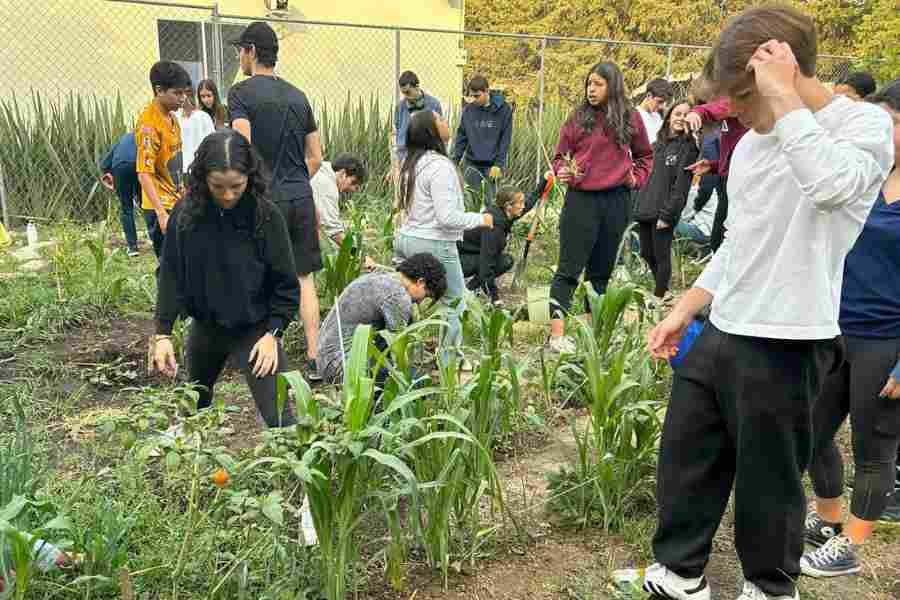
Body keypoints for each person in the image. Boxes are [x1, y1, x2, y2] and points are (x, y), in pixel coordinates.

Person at [635, 6, 894, 600]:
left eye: (742, 98)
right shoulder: (752, 146)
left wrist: (785, 101)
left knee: (770, 480)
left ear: (781, 69)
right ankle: (679, 576)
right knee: (687, 458)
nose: (736, 113)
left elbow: (831, 188)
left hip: (791, 336)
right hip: (726, 326)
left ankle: (770, 586)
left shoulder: (862, 128)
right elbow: (738, 241)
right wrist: (689, 305)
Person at [800, 79, 900, 578]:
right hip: (835, 329)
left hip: (887, 339)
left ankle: (850, 546)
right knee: (814, 432)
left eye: (891, 122)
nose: (879, 130)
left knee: (873, 446)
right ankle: (827, 520)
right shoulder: (865, 175)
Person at [153, 131, 300, 428]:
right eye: (218, 186)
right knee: (193, 409)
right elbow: (171, 274)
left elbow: (286, 284)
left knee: (281, 421)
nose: (229, 195)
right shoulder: (186, 214)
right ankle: (196, 472)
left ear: (250, 177)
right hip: (206, 328)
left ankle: (290, 471)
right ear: (203, 178)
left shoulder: (266, 216)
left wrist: (273, 334)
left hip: (256, 331)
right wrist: (163, 334)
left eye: (237, 186)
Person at [228, 21, 325, 381]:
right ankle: (314, 359)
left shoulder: (240, 93)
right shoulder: (299, 96)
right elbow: (315, 154)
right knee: (304, 278)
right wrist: (294, 181)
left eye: (241, 50)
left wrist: (254, 190)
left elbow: (241, 147)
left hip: (263, 199)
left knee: (255, 272)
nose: (239, 56)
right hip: (300, 196)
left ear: (251, 51)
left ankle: (259, 352)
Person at [548, 62, 653, 354]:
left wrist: (636, 178)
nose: (590, 90)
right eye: (588, 84)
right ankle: (557, 336)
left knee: (601, 272)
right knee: (569, 268)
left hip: (617, 202)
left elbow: (646, 155)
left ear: (613, 86)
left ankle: (590, 332)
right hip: (581, 202)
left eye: (597, 84)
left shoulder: (630, 118)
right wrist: (562, 171)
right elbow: (559, 157)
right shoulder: (578, 118)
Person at [394, 109, 493, 363]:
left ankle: (406, 357)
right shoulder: (440, 166)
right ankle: (451, 361)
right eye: (439, 119)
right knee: (454, 301)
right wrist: (481, 219)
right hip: (435, 242)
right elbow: (447, 217)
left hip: (406, 239)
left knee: (407, 301)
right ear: (432, 131)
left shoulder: (410, 164)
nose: (446, 121)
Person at [316, 253, 447, 385]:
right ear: (420, 282)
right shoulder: (398, 297)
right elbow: (398, 350)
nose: (419, 302)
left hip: (325, 357)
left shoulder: (383, 277)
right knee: (418, 382)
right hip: (342, 367)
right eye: (426, 295)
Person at [635, 101, 698, 300]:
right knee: (646, 253)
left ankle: (659, 296)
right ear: (669, 116)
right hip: (646, 207)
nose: (680, 118)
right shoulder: (656, 146)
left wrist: (668, 214)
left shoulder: (689, 149)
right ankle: (665, 292)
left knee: (661, 255)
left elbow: (681, 186)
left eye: (685, 115)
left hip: (664, 211)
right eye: (677, 113)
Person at [458, 173, 550, 304]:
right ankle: (469, 291)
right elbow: (486, 265)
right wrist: (495, 298)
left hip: (472, 253)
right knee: (495, 263)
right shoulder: (494, 228)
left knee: (505, 260)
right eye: (520, 203)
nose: (523, 206)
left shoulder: (505, 214)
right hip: (458, 260)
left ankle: (469, 289)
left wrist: (544, 181)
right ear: (508, 206)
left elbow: (529, 203)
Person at [682, 79, 750, 253]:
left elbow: (718, 108)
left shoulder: (736, 102)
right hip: (726, 179)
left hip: (740, 181)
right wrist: (713, 166)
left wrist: (697, 113)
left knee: (724, 240)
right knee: (718, 240)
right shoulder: (726, 121)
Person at [136, 61, 190, 260]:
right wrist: (161, 214)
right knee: (168, 266)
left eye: (184, 93)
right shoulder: (149, 125)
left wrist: (182, 189)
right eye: (177, 93)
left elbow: (173, 160)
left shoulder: (172, 117)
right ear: (159, 90)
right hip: (160, 205)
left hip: (175, 199)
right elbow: (144, 173)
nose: (183, 99)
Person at [451, 75, 513, 208]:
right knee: (471, 201)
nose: (474, 99)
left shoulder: (504, 109)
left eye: (477, 96)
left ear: (487, 91)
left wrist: (499, 164)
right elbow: (462, 136)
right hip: (472, 163)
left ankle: (492, 228)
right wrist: (454, 161)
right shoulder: (469, 110)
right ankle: (473, 229)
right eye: (472, 96)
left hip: (492, 165)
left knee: (493, 203)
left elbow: (505, 140)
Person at [392, 71, 443, 175]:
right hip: (405, 159)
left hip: (427, 159)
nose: (405, 96)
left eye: (408, 92)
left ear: (417, 87)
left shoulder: (433, 104)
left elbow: (439, 134)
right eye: (403, 93)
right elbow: (396, 136)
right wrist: (395, 167)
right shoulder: (400, 107)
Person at [311, 152, 367, 247]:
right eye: (353, 183)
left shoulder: (321, 169)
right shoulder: (327, 186)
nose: (352, 189)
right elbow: (334, 232)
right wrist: (360, 256)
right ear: (343, 173)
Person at [99, 131, 140, 256]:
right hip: (141, 166)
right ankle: (157, 240)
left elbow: (104, 164)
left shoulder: (123, 138)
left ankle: (132, 247)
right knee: (148, 205)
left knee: (126, 208)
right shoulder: (149, 136)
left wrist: (110, 176)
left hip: (120, 166)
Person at [176, 86, 216, 175]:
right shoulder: (175, 116)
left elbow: (212, 143)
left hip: (198, 167)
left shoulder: (203, 116)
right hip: (182, 168)